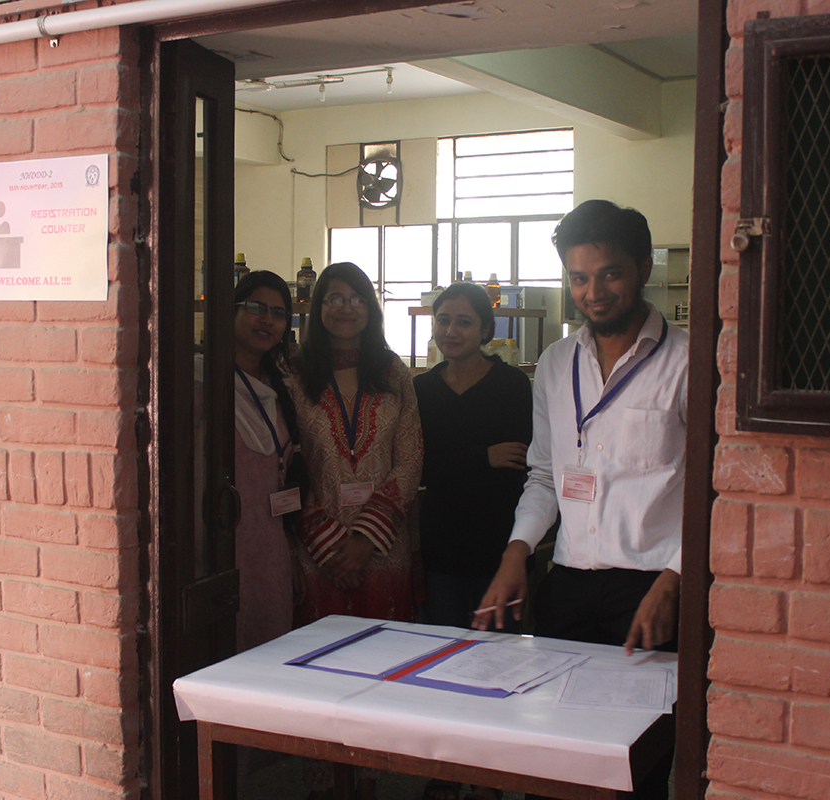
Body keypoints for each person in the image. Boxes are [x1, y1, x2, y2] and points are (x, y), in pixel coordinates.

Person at [473, 200, 687, 800]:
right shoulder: (554, 363)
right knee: (554, 754)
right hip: (566, 583)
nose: (594, 292)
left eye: (610, 273)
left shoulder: (688, 361)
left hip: (648, 588)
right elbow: (544, 475)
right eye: (579, 277)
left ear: (643, 268)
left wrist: (674, 582)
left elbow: (713, 487)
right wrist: (516, 553)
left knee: (634, 765)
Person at [287, 261, 423, 800]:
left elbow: (409, 460)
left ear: (371, 308)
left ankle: (368, 780)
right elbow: (287, 465)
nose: (345, 307)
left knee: (376, 668)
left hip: (382, 549)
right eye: (333, 298)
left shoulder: (394, 373)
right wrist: (327, 543)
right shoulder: (293, 374)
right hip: (316, 548)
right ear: (318, 309)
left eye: (356, 297)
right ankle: (320, 783)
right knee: (319, 673)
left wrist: (364, 540)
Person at [415, 281, 532, 631]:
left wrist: (450, 464)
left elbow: (516, 462)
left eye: (463, 322)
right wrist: (484, 456)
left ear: (484, 329)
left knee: (498, 650)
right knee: (441, 648)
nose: (450, 331)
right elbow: (418, 469)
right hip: (440, 546)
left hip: (497, 545)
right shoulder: (422, 389)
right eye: (443, 320)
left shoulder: (511, 384)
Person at [201, 269, 301, 653]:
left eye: (278, 313)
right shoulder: (202, 381)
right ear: (232, 311)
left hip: (271, 544)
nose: (267, 320)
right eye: (256, 308)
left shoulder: (282, 386)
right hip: (219, 542)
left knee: (270, 646)